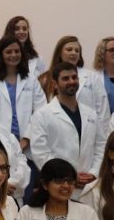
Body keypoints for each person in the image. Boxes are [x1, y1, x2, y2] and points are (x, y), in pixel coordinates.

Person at [25, 62, 107, 196]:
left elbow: (101, 146)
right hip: (58, 186)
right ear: (55, 84)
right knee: (60, 217)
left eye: (74, 77)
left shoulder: (91, 114)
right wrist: (69, 175)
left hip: (89, 186)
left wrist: (93, 173)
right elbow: (41, 153)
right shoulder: (42, 115)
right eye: (65, 78)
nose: (71, 81)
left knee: (88, 216)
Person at [0, 35, 47, 152]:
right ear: (1, 54)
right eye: (8, 52)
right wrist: (2, 139)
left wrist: (27, 138)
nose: (13, 55)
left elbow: (41, 111)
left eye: (17, 51)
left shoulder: (31, 80)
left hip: (28, 145)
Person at [38, 36, 108, 126]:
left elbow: (103, 109)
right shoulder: (45, 79)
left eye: (77, 51)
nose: (74, 53)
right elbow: (39, 110)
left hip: (87, 128)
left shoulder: (92, 77)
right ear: (59, 53)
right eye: (69, 49)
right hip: (55, 128)